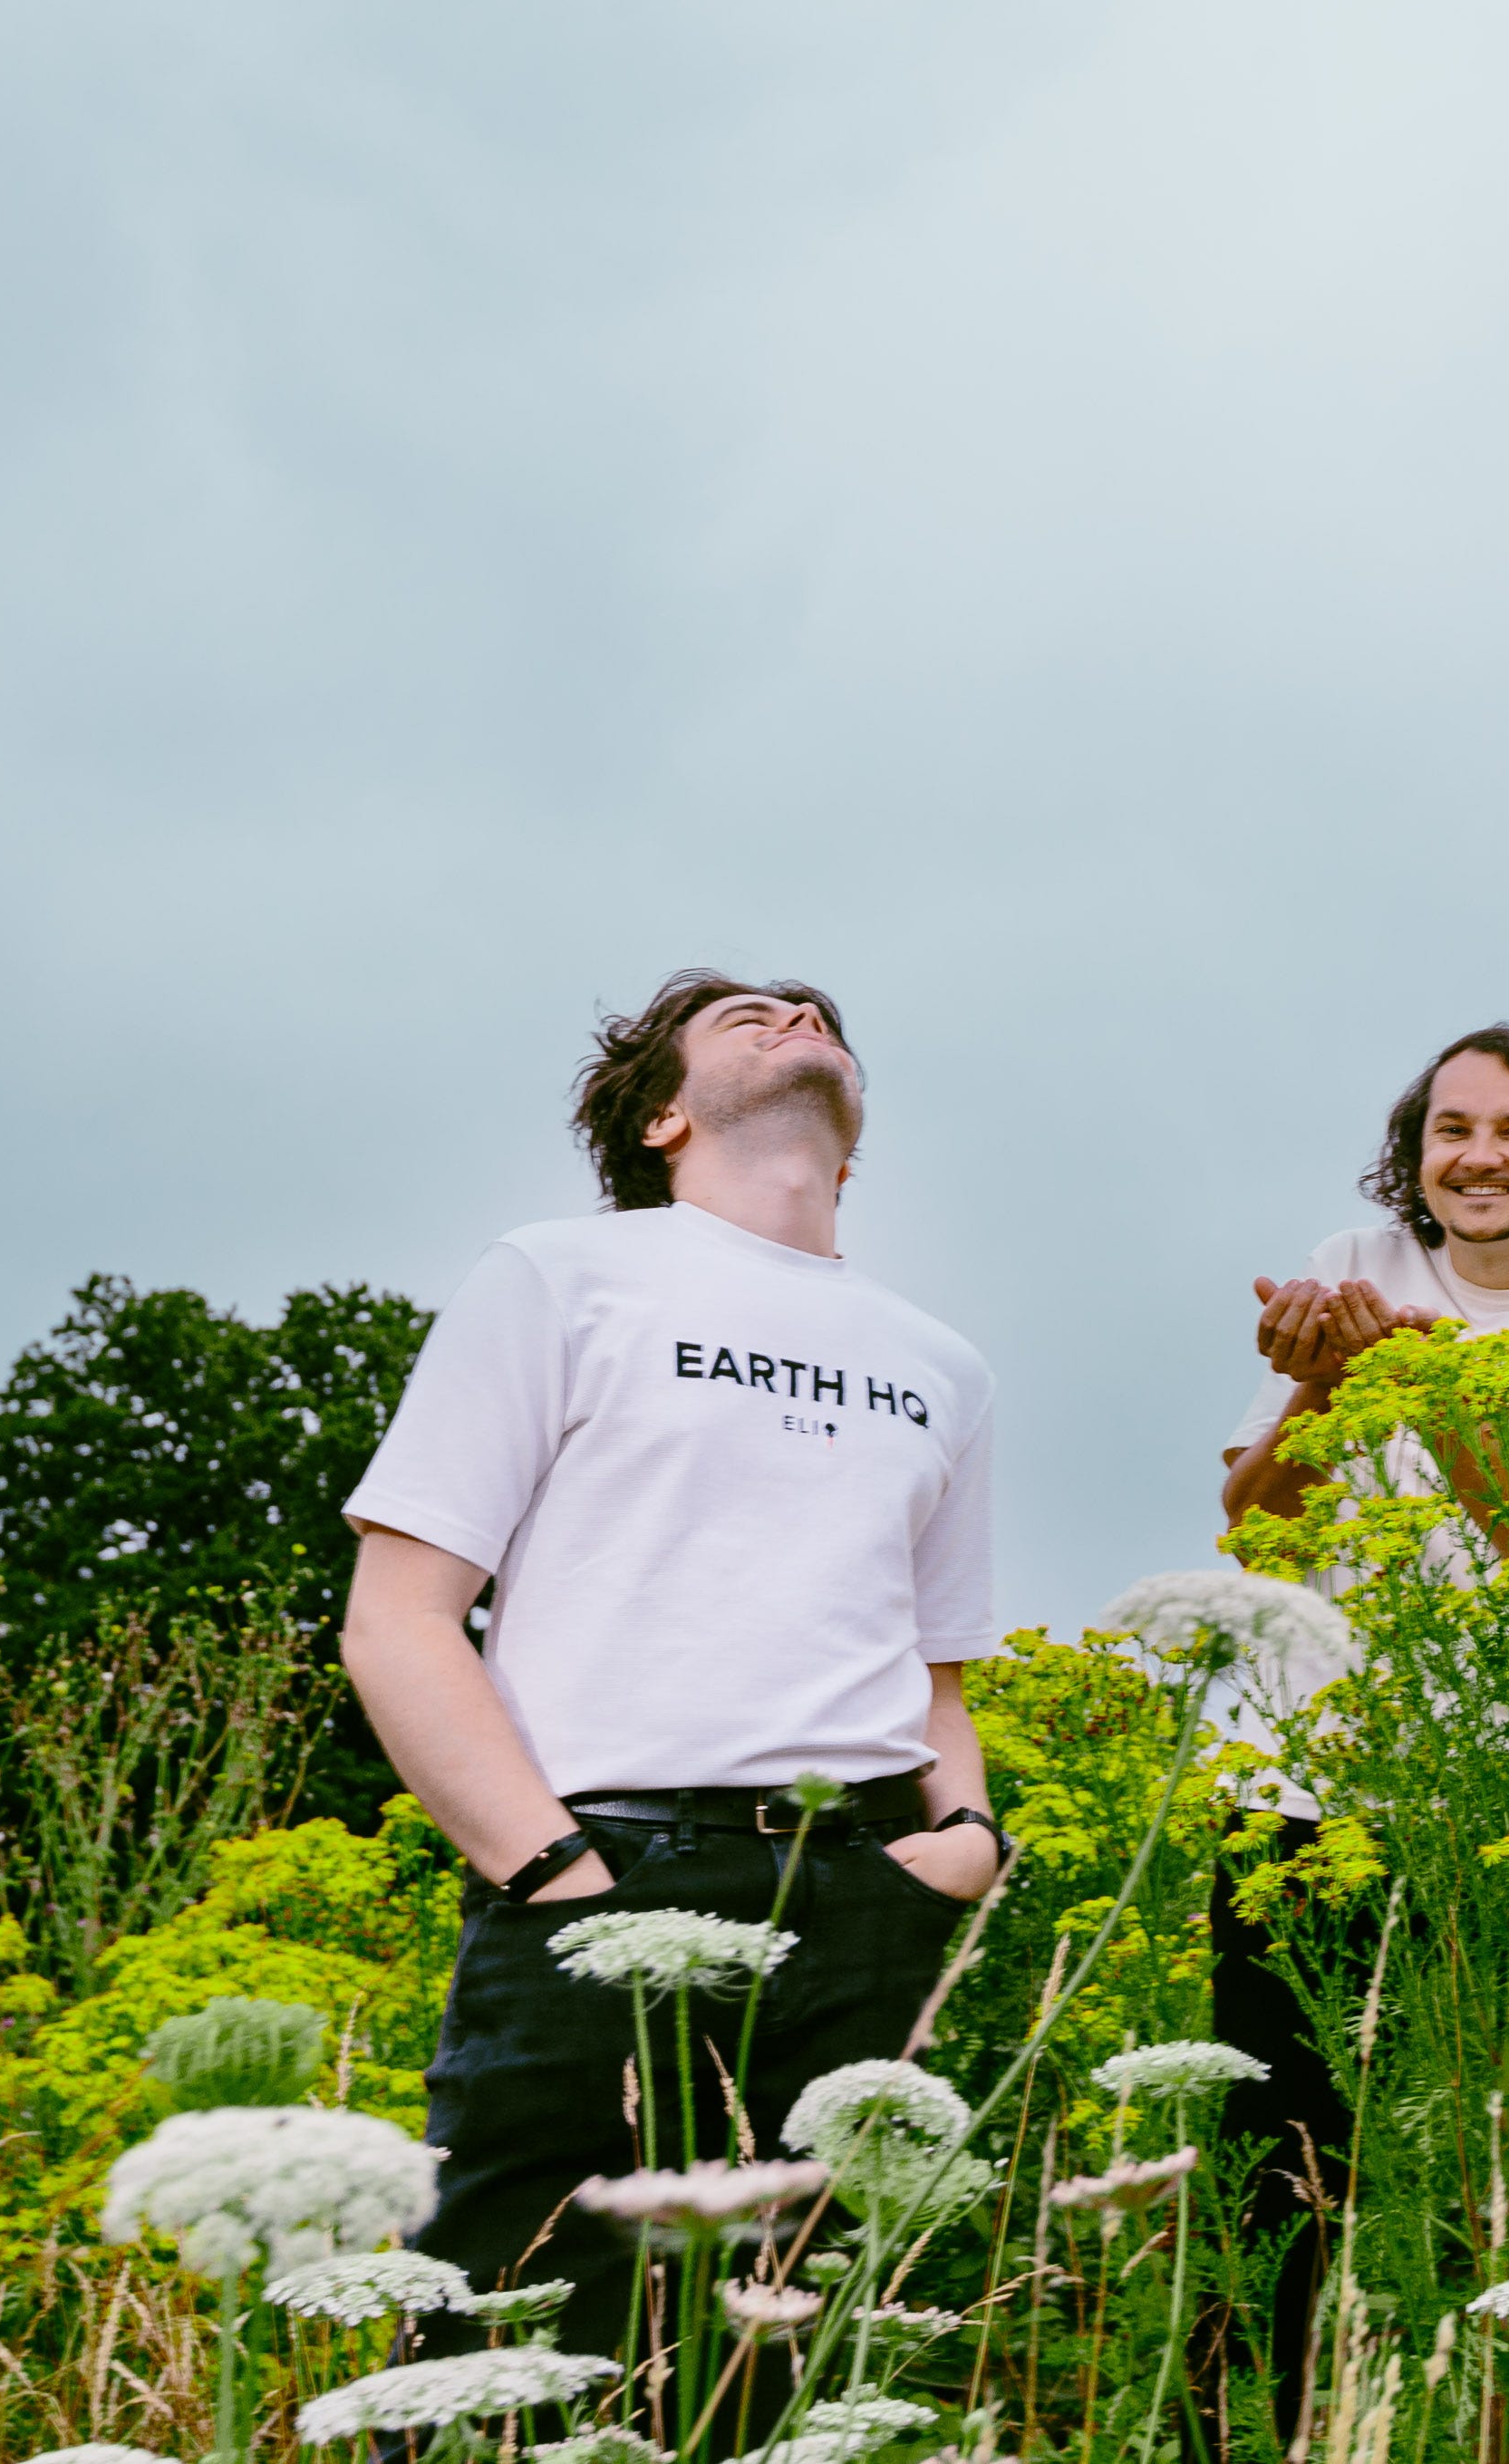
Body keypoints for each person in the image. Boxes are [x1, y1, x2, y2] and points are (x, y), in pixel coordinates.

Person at [340, 972, 1004, 2372]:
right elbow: (398, 1617)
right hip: (608, 1877)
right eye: (748, 1019)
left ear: (854, 1143)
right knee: (500, 2356)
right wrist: (553, 1874)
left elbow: (936, 1671)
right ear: (661, 1118)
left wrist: (964, 1845)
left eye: (820, 1021)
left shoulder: (943, 1365)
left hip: (866, 1898)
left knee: (787, 2367)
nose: (798, 1024)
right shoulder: (559, 1276)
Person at [1204, 1023, 1509, 2445]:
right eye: (1452, 1130)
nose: (1481, 1157)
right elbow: (1258, 1534)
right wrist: (1329, 1379)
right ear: (1415, 1157)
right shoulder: (1351, 1264)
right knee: (1275, 2193)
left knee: (1500, 2190)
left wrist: (1432, 1384)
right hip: (1304, 1800)